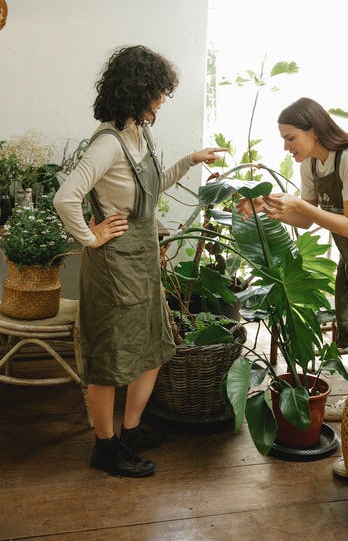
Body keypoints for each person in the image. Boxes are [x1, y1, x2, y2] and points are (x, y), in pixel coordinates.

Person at [54, 44, 225, 478]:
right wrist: (90, 237)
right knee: (111, 358)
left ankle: (129, 430)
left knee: (150, 349)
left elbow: (150, 194)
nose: (164, 100)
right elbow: (65, 197)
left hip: (143, 258)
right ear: (139, 90)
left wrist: (190, 160)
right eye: (160, 91)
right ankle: (105, 446)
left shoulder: (138, 134)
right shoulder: (107, 144)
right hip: (114, 267)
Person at [238, 97, 348, 478]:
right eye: (283, 139)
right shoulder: (314, 165)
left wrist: (298, 206)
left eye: (290, 138)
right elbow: (305, 221)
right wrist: (262, 206)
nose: (286, 147)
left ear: (313, 131)